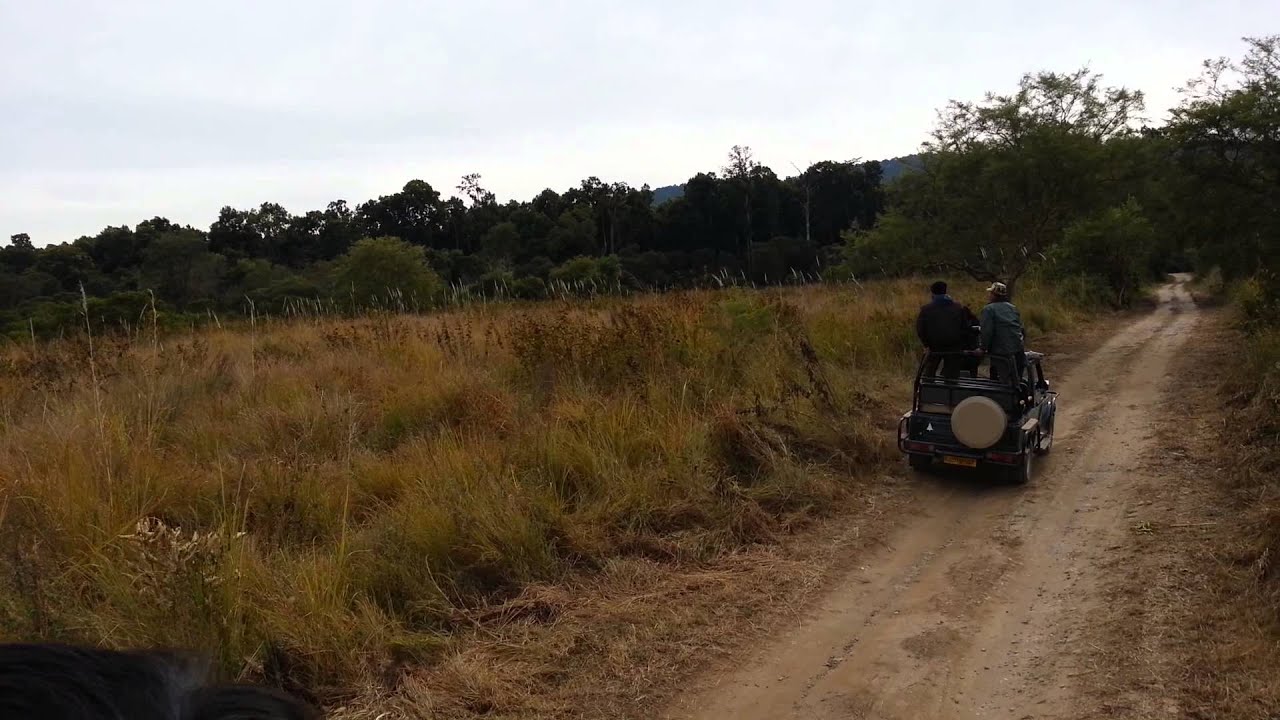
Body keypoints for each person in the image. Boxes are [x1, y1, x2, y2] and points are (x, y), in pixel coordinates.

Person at [915, 280, 979, 379]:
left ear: (932, 293)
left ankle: (928, 392)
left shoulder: (926, 309)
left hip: (934, 346)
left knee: (929, 374)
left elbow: (920, 329)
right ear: (945, 292)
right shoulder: (958, 308)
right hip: (954, 346)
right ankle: (950, 393)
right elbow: (965, 327)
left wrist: (926, 344)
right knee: (952, 376)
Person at [976, 281, 1026, 383]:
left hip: (1001, 350)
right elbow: (1020, 327)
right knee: (1016, 378)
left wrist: (982, 348)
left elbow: (987, 331)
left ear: (994, 295)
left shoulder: (989, 309)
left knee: (1005, 380)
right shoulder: (1012, 308)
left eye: (990, 293)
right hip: (1017, 348)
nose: (989, 295)